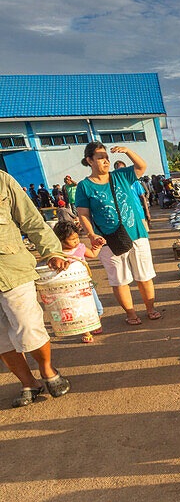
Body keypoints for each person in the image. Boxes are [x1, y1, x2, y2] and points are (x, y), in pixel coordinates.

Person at [0, 172, 71, 405]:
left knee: (28, 327)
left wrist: (51, 252)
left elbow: (31, 220)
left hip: (10, 268)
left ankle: (47, 370)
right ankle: (29, 383)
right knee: (1, 339)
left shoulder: (2, 180)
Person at [75, 143, 161, 326]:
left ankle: (150, 308)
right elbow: (83, 214)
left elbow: (141, 167)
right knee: (119, 278)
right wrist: (91, 235)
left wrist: (128, 151)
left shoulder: (120, 176)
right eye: (100, 157)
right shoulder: (84, 186)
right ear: (89, 160)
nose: (105, 160)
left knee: (144, 274)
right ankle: (130, 314)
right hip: (107, 239)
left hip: (136, 232)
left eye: (106, 157)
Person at [52, 220, 104, 343]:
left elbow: (92, 253)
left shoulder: (80, 248)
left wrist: (98, 246)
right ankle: (86, 331)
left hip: (86, 284)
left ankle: (94, 323)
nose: (76, 241)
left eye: (77, 238)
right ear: (61, 239)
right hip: (69, 289)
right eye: (72, 239)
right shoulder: (57, 255)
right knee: (78, 311)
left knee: (98, 309)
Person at [114, 159, 151, 229]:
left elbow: (142, 197)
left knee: (143, 237)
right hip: (125, 217)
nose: (120, 171)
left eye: (122, 169)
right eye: (117, 169)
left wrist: (147, 212)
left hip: (139, 214)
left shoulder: (135, 182)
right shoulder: (116, 185)